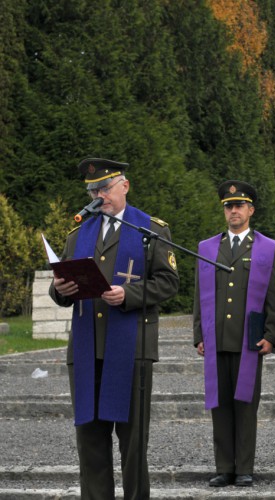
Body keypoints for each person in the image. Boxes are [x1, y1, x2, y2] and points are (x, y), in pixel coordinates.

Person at [49, 158, 180, 500]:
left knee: (133, 440)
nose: (99, 196)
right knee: (90, 438)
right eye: (93, 191)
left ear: (125, 186)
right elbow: (61, 286)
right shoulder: (78, 234)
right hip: (87, 347)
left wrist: (129, 294)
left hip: (131, 346)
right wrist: (59, 290)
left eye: (105, 188)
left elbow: (169, 282)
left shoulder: (150, 230)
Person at [193, 180, 275, 488]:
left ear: (251, 210)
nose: (234, 211)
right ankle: (224, 468)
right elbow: (199, 296)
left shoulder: (266, 248)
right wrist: (199, 335)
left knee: (246, 407)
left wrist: (271, 335)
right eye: (229, 206)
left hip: (249, 340)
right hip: (216, 338)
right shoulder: (208, 248)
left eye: (239, 205)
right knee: (219, 407)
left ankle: (244, 467)